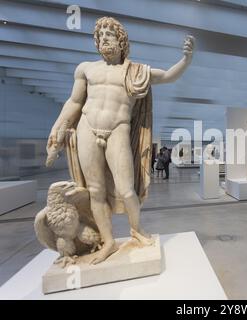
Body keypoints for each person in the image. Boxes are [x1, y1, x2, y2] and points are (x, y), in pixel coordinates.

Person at [46, 17, 194, 264]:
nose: (103, 38)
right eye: (100, 35)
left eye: (109, 34)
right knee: (95, 190)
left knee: (126, 189)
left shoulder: (136, 72)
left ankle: (137, 230)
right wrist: (57, 130)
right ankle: (108, 241)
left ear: (121, 41)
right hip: (87, 127)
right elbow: (73, 103)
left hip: (117, 130)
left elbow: (168, 76)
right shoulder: (86, 69)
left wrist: (186, 59)